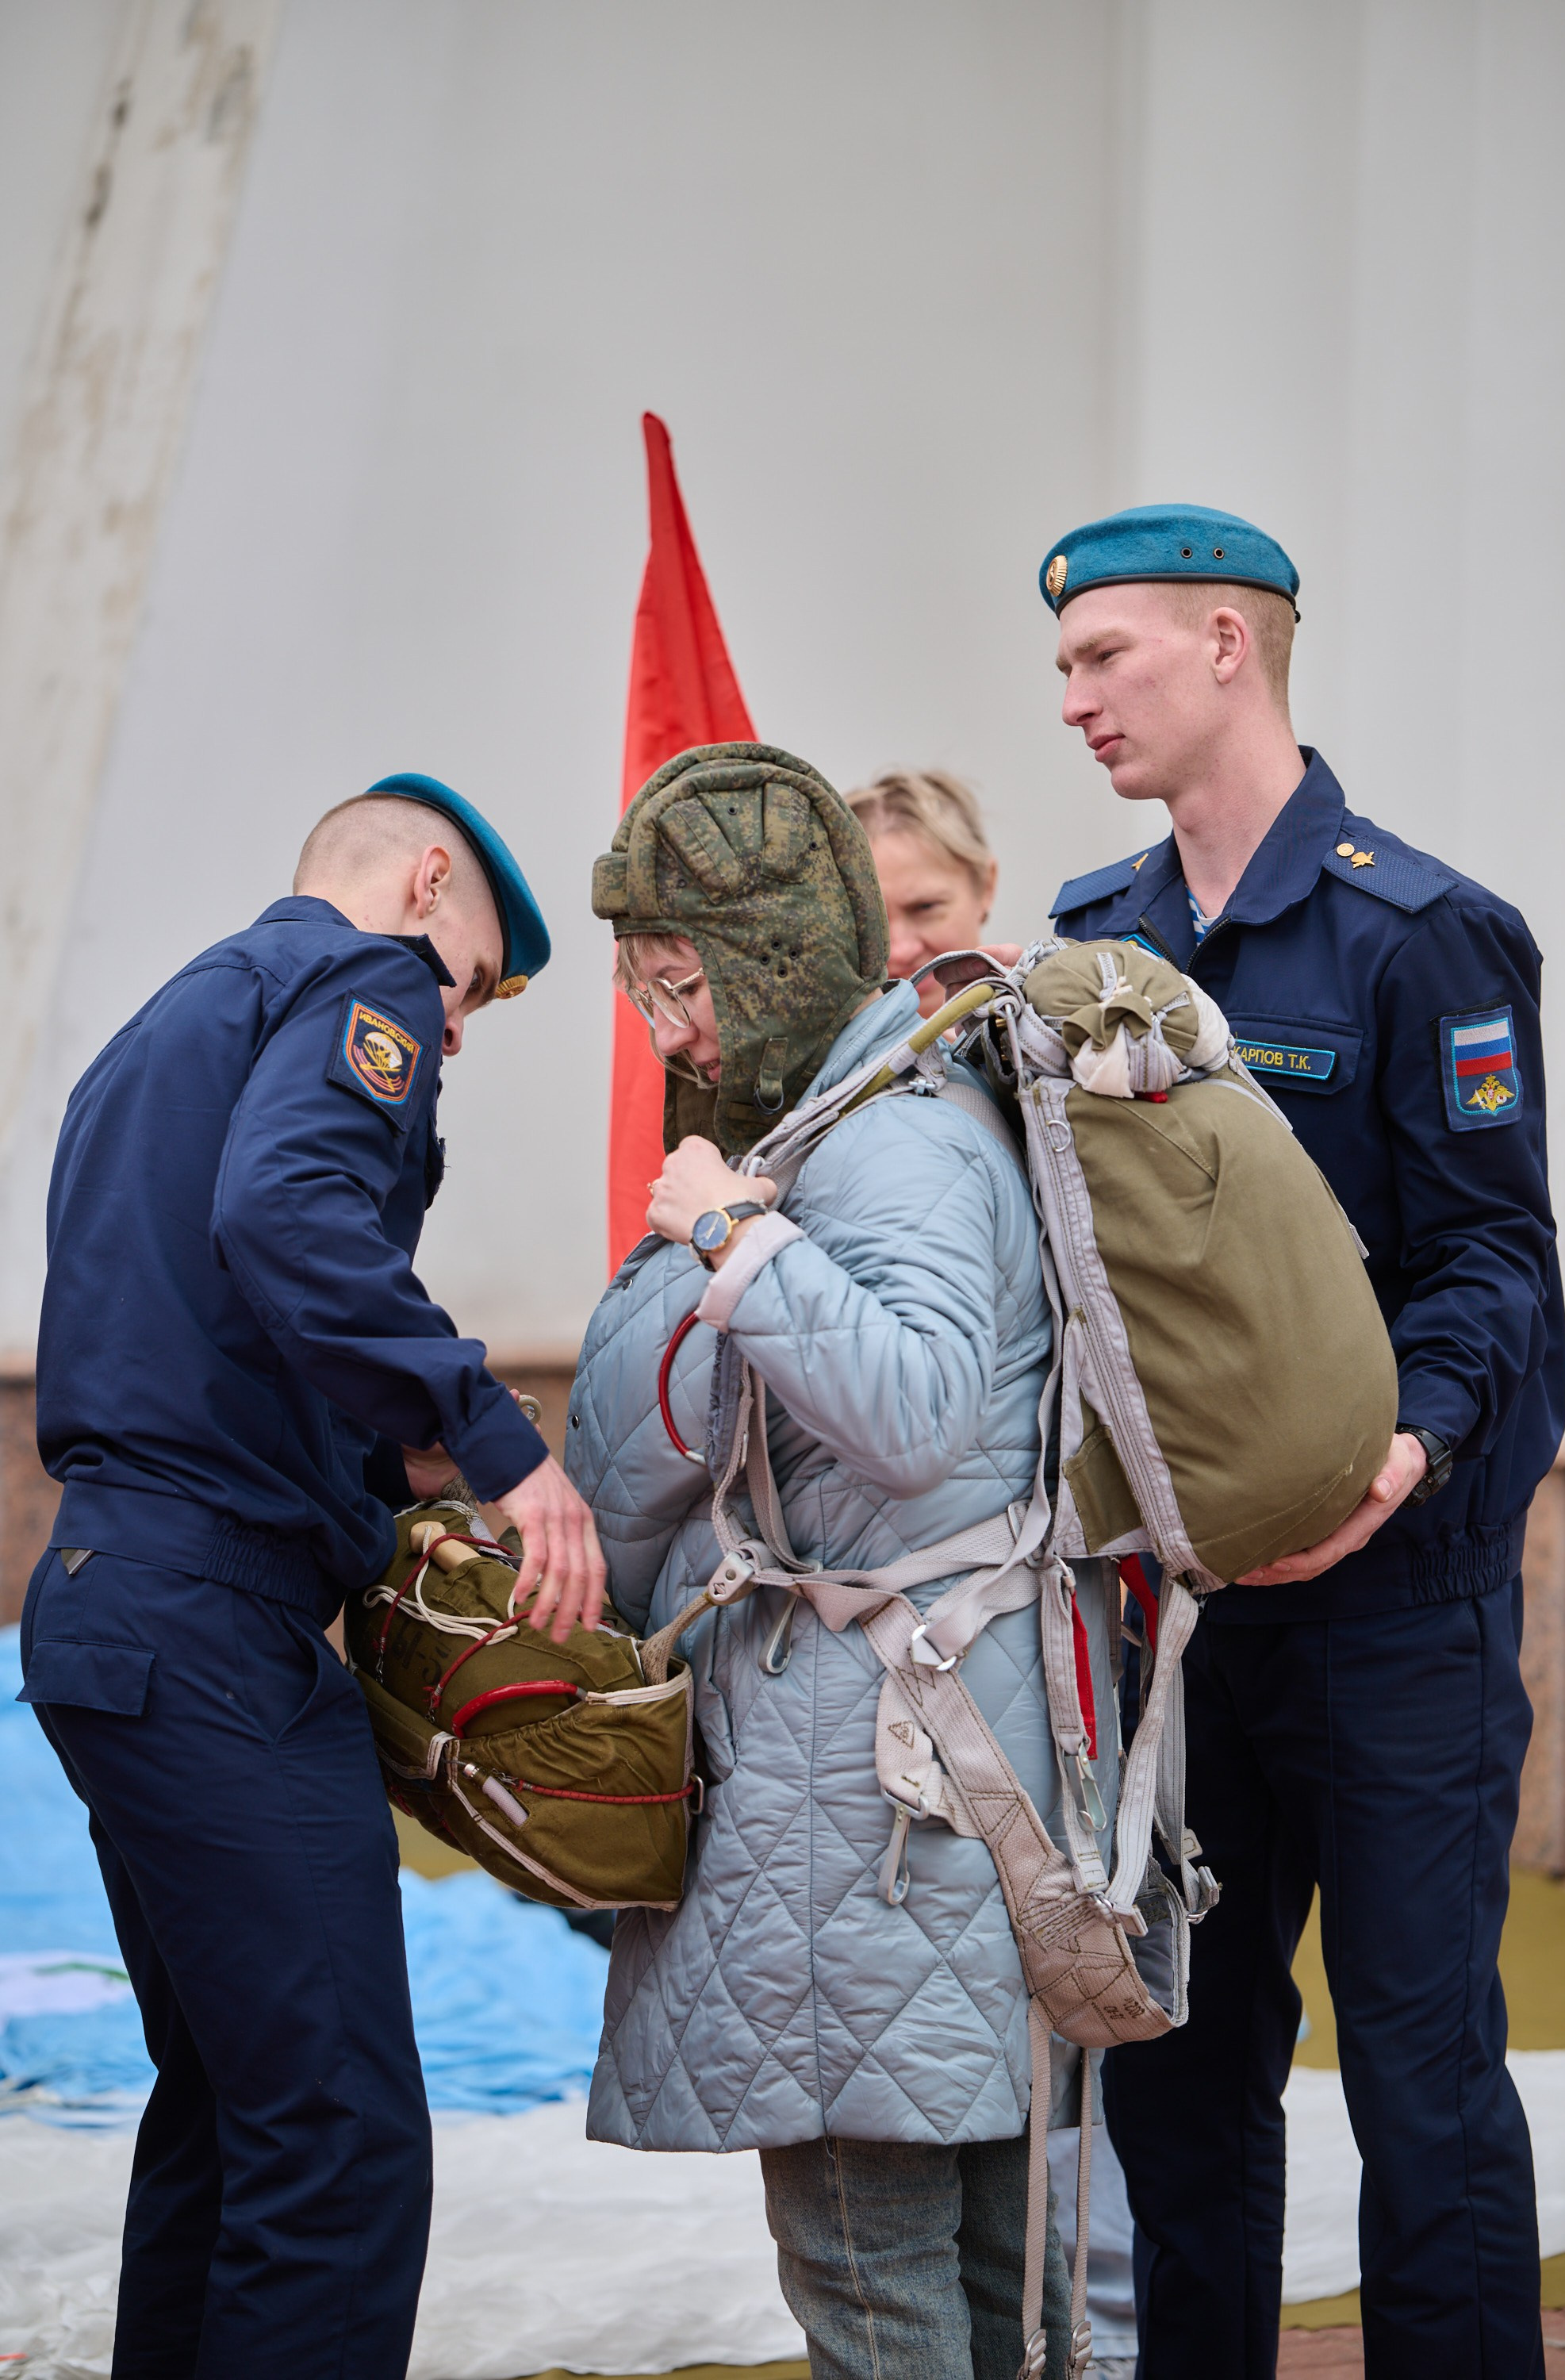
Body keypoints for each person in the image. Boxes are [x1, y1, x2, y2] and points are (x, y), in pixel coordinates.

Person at [1034, 505, 1564, 2380]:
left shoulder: (1417, 930)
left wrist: (1398, 1461)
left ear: (1223, 647)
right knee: (1182, 2082)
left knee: (1420, 2076)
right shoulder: (1089, 946)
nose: (1071, 692)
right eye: (1066, 662)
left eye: (1104, 654)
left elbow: (1495, 1259)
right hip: (1179, 1629)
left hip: (1391, 1616)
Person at [18, 773, 604, 2380]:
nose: (454, 1029)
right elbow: (284, 1210)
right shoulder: (365, 980)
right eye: (475, 982)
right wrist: (494, 1442)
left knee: (228, 2114)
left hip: (106, 1599)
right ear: (425, 883)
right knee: (338, 2136)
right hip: (214, 1622)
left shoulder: (163, 1030)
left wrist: (377, 1466)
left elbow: (204, 1306)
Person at [560, 739, 1080, 2380]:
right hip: (893, 1786)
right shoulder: (845, 1123)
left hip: (867, 1805)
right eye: (648, 992)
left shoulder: (893, 1144)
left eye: (681, 983)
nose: (670, 1032)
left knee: (874, 2273)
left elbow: (914, 1410)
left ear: (773, 961)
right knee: (988, 2272)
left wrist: (726, 1235)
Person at [845, 767, 999, 1014]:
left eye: (925, 908)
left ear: (985, 887)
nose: (900, 952)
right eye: (866, 923)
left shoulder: (1068, 1032)